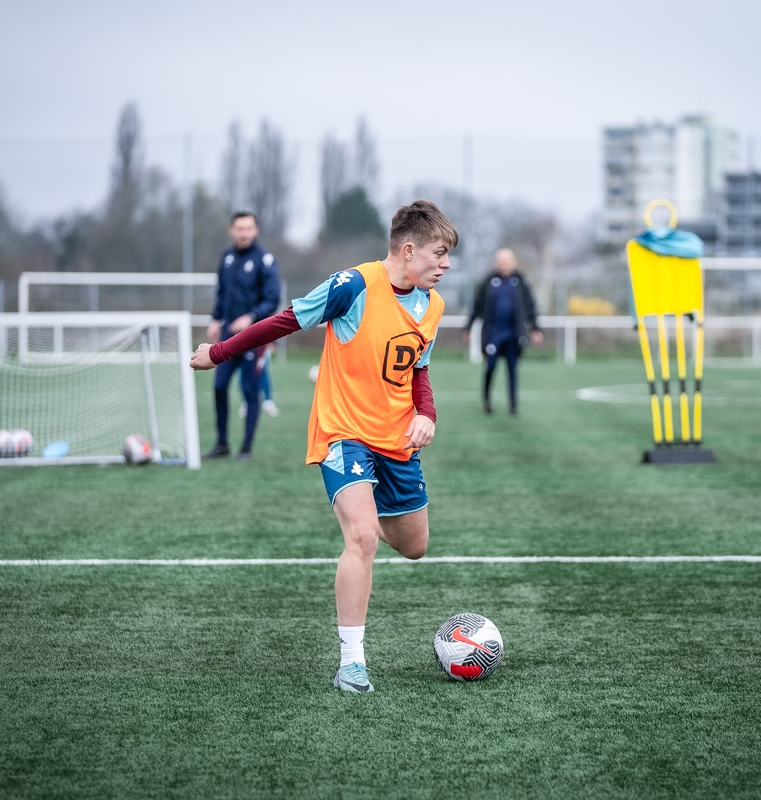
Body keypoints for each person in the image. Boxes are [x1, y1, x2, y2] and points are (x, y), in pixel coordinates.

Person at [191, 200, 455, 693]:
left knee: (415, 546)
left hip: (396, 438)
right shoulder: (352, 285)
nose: (446, 265)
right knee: (363, 538)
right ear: (408, 249)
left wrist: (427, 414)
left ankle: (364, 509)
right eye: (439, 254)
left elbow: (418, 369)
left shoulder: (432, 305)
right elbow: (285, 321)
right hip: (343, 431)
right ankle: (352, 664)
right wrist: (219, 353)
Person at [205, 212, 282, 459]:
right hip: (228, 337)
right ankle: (222, 444)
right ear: (232, 231)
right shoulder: (227, 258)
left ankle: (246, 447)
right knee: (219, 386)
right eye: (239, 228)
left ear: (256, 230)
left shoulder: (265, 260)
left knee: (250, 390)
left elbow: (272, 299)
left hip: (254, 338)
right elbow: (222, 293)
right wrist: (215, 319)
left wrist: (251, 317)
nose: (244, 232)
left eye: (248, 228)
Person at [462, 247, 543, 415]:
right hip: (493, 335)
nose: (503, 264)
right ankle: (486, 400)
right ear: (496, 263)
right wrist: (468, 328)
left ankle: (513, 405)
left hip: (513, 335)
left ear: (513, 262)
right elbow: (477, 306)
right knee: (490, 368)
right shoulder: (488, 282)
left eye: (506, 261)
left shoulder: (520, 281)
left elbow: (530, 306)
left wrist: (535, 328)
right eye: (500, 261)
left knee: (512, 370)